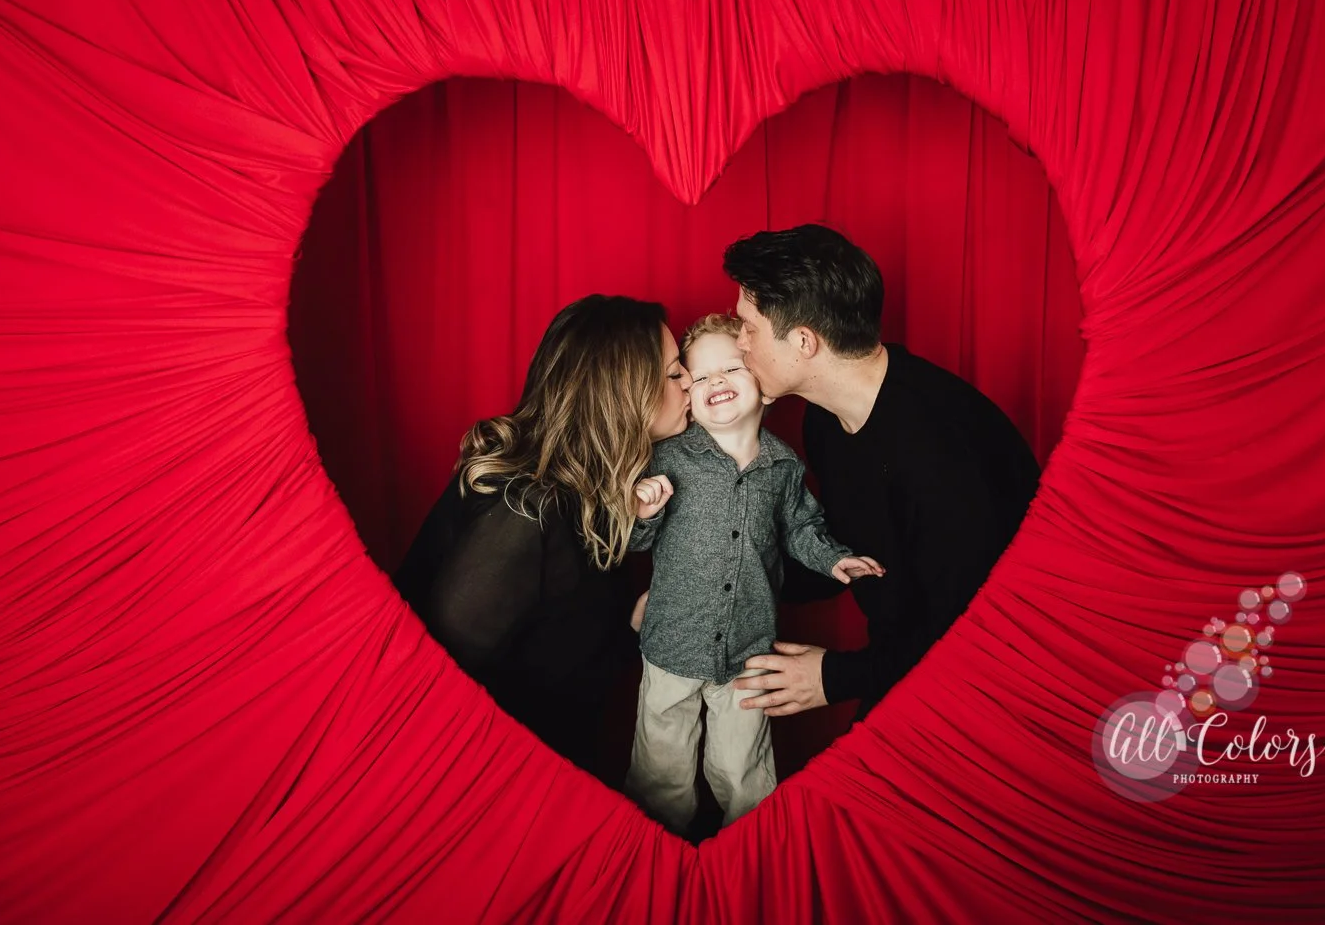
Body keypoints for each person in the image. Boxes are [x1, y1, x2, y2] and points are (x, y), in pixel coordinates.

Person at [724, 225, 1041, 720]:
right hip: (910, 671)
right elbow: (853, 551)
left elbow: (968, 634)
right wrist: (717, 581)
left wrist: (834, 678)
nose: (738, 342)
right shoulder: (825, 417)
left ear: (804, 342)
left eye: (748, 327)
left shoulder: (942, 453)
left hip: (989, 691)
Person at [392, 294, 690, 781]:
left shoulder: (589, 493)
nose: (689, 384)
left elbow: (558, 638)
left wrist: (630, 622)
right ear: (624, 391)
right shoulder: (524, 513)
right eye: (674, 372)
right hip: (496, 793)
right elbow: (433, 688)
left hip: (555, 783)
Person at [621, 314, 882, 832]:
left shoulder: (783, 467)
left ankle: (751, 854)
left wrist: (834, 558)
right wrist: (642, 515)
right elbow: (631, 544)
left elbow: (803, 528)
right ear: (689, 404)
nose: (716, 382)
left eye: (732, 369)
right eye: (699, 377)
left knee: (745, 771)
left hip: (748, 646)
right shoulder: (667, 459)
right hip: (673, 642)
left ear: (764, 390)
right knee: (661, 769)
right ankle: (658, 852)